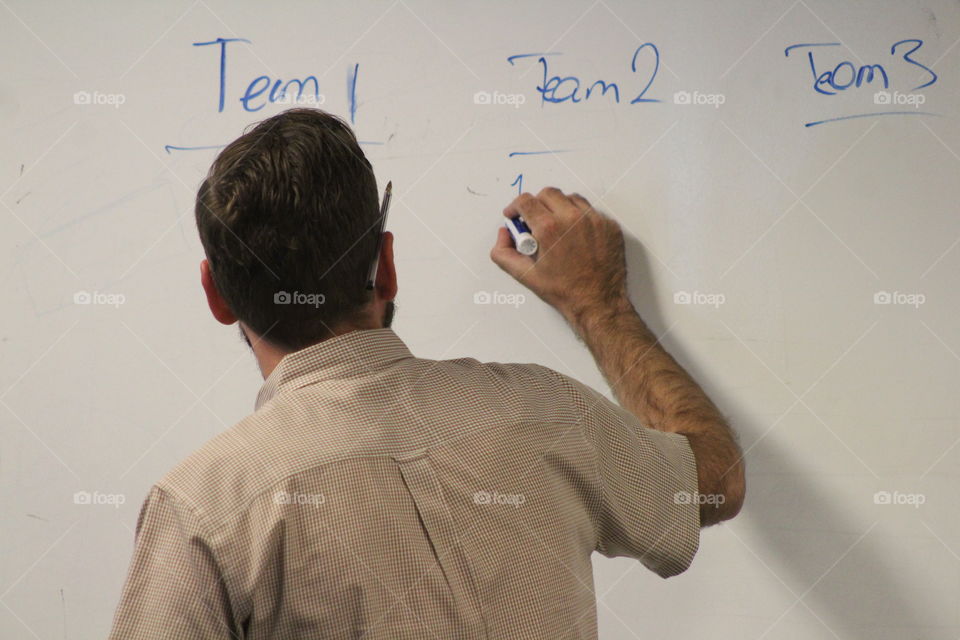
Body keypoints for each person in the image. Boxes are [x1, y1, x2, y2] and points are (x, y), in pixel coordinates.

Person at [109, 108, 744, 639]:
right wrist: (599, 306)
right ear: (384, 267)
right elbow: (715, 481)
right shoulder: (545, 413)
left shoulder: (204, 509)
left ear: (217, 298)